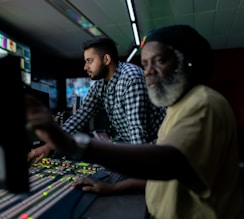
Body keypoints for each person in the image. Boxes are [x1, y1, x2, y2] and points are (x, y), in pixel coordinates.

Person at [26, 24, 244, 219]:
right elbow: (82, 115)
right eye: (145, 63)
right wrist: (50, 144)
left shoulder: (202, 103)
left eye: (158, 61)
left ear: (187, 62)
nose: (147, 72)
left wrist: (75, 145)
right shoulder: (179, 106)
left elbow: (163, 159)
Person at [28, 36, 166, 195]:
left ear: (106, 59)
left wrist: (114, 186)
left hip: (154, 151)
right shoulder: (101, 85)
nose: (85, 67)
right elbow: (80, 117)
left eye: (89, 61)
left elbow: (138, 138)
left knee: (106, 184)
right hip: (136, 149)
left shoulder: (131, 78)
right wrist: (48, 146)